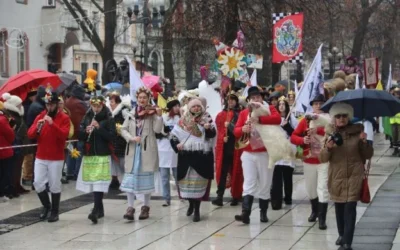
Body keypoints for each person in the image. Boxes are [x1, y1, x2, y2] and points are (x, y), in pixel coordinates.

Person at [320, 103, 373, 250]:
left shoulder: (358, 132)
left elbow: (368, 155)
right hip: (337, 176)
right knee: (339, 209)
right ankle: (342, 234)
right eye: (338, 116)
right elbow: (323, 158)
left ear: (348, 117)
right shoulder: (329, 134)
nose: (341, 119)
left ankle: (347, 242)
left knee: (350, 208)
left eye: (344, 116)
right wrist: (328, 148)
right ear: (334, 118)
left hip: (354, 175)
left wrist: (364, 142)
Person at [234, 86, 281, 225]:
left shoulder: (268, 109)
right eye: (253, 98)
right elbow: (236, 131)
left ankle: (263, 212)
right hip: (248, 152)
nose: (256, 100)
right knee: (249, 182)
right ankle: (245, 213)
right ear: (248, 100)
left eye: (258, 97)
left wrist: (260, 120)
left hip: (264, 152)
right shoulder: (243, 113)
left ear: (262, 98)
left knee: (265, 183)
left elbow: (277, 119)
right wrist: (242, 129)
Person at [27, 90, 70, 222]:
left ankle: (55, 211)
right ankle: (46, 206)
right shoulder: (41, 115)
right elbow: (30, 134)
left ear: (57, 104)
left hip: (56, 157)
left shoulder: (64, 118)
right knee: (38, 183)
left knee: (54, 184)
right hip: (41, 155)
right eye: (47, 105)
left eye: (51, 105)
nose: (49, 107)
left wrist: (53, 124)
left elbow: (64, 135)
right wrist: (37, 127)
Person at [120, 87, 163, 221]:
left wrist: (159, 116)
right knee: (130, 180)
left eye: (144, 98)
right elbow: (123, 129)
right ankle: (130, 207)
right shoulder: (131, 114)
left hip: (146, 149)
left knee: (146, 177)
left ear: (148, 99)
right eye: (140, 98)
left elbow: (157, 130)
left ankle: (145, 207)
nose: (142, 100)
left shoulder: (152, 114)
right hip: (133, 149)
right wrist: (131, 138)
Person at [170, 98, 216, 222]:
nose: (196, 108)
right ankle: (190, 203)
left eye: (198, 106)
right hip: (186, 156)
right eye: (193, 107)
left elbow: (212, 134)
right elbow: (173, 136)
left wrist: (207, 128)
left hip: (201, 156)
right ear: (189, 108)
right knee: (188, 184)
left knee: (198, 184)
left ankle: (197, 210)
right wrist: (177, 145)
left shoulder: (207, 118)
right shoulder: (183, 120)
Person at [290, 94, 330, 230]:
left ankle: (322, 219)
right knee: (311, 189)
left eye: (320, 103)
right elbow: (293, 136)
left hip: (324, 159)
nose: (318, 106)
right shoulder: (305, 120)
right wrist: (302, 140)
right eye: (315, 103)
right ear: (312, 106)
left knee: (323, 188)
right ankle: (315, 210)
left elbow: (333, 131)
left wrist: (318, 130)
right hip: (308, 159)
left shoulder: (328, 118)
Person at [76, 95, 116, 224]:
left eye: (98, 106)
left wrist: (99, 128)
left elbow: (112, 136)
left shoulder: (109, 118)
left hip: (102, 154)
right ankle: (100, 209)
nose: (96, 108)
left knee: (99, 183)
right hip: (90, 153)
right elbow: (79, 135)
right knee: (94, 183)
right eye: (94, 106)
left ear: (102, 105)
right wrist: (85, 132)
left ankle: (95, 210)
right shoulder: (87, 117)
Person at [212, 92, 243, 207]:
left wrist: (230, 126)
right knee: (222, 172)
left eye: (233, 100)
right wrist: (222, 137)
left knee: (236, 171)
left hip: (235, 148)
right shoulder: (220, 115)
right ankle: (219, 196)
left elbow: (240, 131)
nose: (231, 102)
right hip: (224, 148)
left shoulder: (240, 114)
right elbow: (219, 131)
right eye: (229, 100)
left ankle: (236, 196)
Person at [270, 96, 298, 210]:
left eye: (283, 104)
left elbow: (295, 134)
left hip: (288, 149)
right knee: (277, 174)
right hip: (277, 149)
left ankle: (288, 197)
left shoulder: (291, 118)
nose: (281, 106)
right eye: (279, 104)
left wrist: (287, 126)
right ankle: (277, 198)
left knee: (287, 176)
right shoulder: (274, 118)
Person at [2, 93, 29, 197]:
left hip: (19, 144)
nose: (20, 107)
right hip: (15, 144)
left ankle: (16, 185)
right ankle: (12, 187)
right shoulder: (10, 115)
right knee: (12, 168)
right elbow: (10, 131)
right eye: (18, 105)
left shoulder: (16, 115)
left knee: (17, 167)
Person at [156, 97, 180, 207]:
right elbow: (157, 132)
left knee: (177, 175)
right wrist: (164, 132)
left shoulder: (180, 119)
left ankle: (182, 194)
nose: (177, 108)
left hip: (175, 150)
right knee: (164, 177)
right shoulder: (163, 118)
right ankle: (166, 198)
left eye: (178, 106)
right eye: (175, 106)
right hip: (163, 149)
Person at [106, 91, 130, 189]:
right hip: (112, 140)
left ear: (117, 102)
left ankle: (126, 180)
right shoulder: (109, 112)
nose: (110, 104)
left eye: (112, 102)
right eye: (110, 101)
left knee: (123, 161)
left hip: (122, 140)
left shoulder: (123, 111)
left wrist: (121, 129)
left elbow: (129, 123)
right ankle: (114, 179)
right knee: (113, 161)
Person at [24, 86, 46, 189]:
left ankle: (36, 181)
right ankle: (36, 182)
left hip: (34, 136)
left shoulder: (36, 105)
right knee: (36, 160)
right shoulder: (38, 108)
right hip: (36, 137)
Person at [65, 85, 88, 180]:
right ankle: (77, 173)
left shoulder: (67, 101)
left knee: (71, 153)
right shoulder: (80, 103)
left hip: (70, 132)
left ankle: (69, 172)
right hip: (79, 131)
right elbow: (87, 114)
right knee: (79, 153)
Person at [0, 101, 15, 202]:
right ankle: (1, 194)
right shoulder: (2, 120)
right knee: (4, 174)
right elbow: (10, 135)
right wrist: (12, 129)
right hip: (4, 151)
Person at [21, 88, 37, 186]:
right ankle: (27, 176)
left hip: (27, 132)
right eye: (34, 96)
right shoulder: (27, 107)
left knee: (29, 155)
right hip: (27, 133)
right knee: (28, 155)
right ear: (31, 97)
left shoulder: (29, 105)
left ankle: (27, 175)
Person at [390, 88, 400, 156]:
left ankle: (399, 150)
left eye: (398, 93)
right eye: (395, 93)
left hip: (399, 122)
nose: (396, 94)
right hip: (393, 122)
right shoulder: (392, 101)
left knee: (399, 137)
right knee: (394, 137)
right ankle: (395, 150)